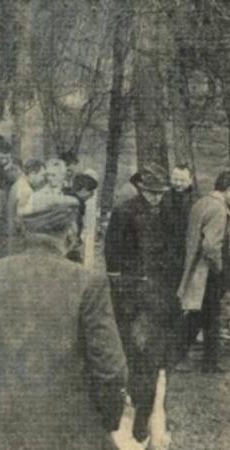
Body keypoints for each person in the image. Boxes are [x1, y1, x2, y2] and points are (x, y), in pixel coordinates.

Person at [0, 203, 127, 449]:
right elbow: (111, 369)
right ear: (70, 234)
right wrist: (106, 421)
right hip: (61, 432)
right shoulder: (88, 283)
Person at [104, 163, 176, 442]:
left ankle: (144, 414)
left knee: (152, 356)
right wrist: (121, 290)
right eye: (151, 192)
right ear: (141, 189)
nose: (156, 197)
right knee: (133, 353)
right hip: (131, 296)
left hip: (158, 295)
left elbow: (170, 250)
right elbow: (112, 255)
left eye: (160, 193)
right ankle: (129, 409)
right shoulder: (124, 213)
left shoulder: (165, 214)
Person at [176, 171, 230, 374]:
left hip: (196, 268)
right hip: (208, 272)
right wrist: (219, 268)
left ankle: (189, 357)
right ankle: (208, 363)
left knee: (200, 315)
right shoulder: (219, 210)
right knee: (209, 316)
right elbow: (211, 246)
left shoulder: (201, 202)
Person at [162, 164, 197, 289]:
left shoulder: (196, 201)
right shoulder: (163, 197)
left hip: (187, 253)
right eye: (175, 179)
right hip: (165, 252)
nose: (178, 183)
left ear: (190, 180)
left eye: (182, 180)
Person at [7, 158, 46, 241]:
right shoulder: (25, 189)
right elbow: (22, 218)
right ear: (32, 174)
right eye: (42, 175)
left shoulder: (20, 183)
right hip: (19, 237)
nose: (43, 179)